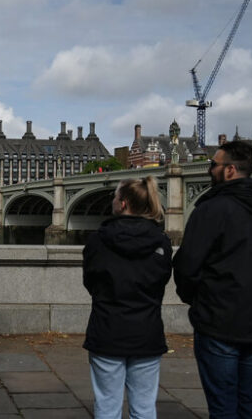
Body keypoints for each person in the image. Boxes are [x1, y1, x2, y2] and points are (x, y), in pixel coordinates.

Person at [173, 141, 252, 418]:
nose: (209, 169)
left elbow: (187, 265)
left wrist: (199, 300)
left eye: (212, 164)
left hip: (219, 323)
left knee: (223, 404)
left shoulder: (211, 209)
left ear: (228, 171)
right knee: (251, 398)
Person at [83, 176, 173, 419]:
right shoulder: (162, 242)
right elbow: (161, 281)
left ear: (122, 204)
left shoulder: (98, 240)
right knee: (144, 409)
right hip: (147, 333)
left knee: (107, 406)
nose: (112, 200)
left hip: (107, 331)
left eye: (114, 196)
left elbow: (90, 282)